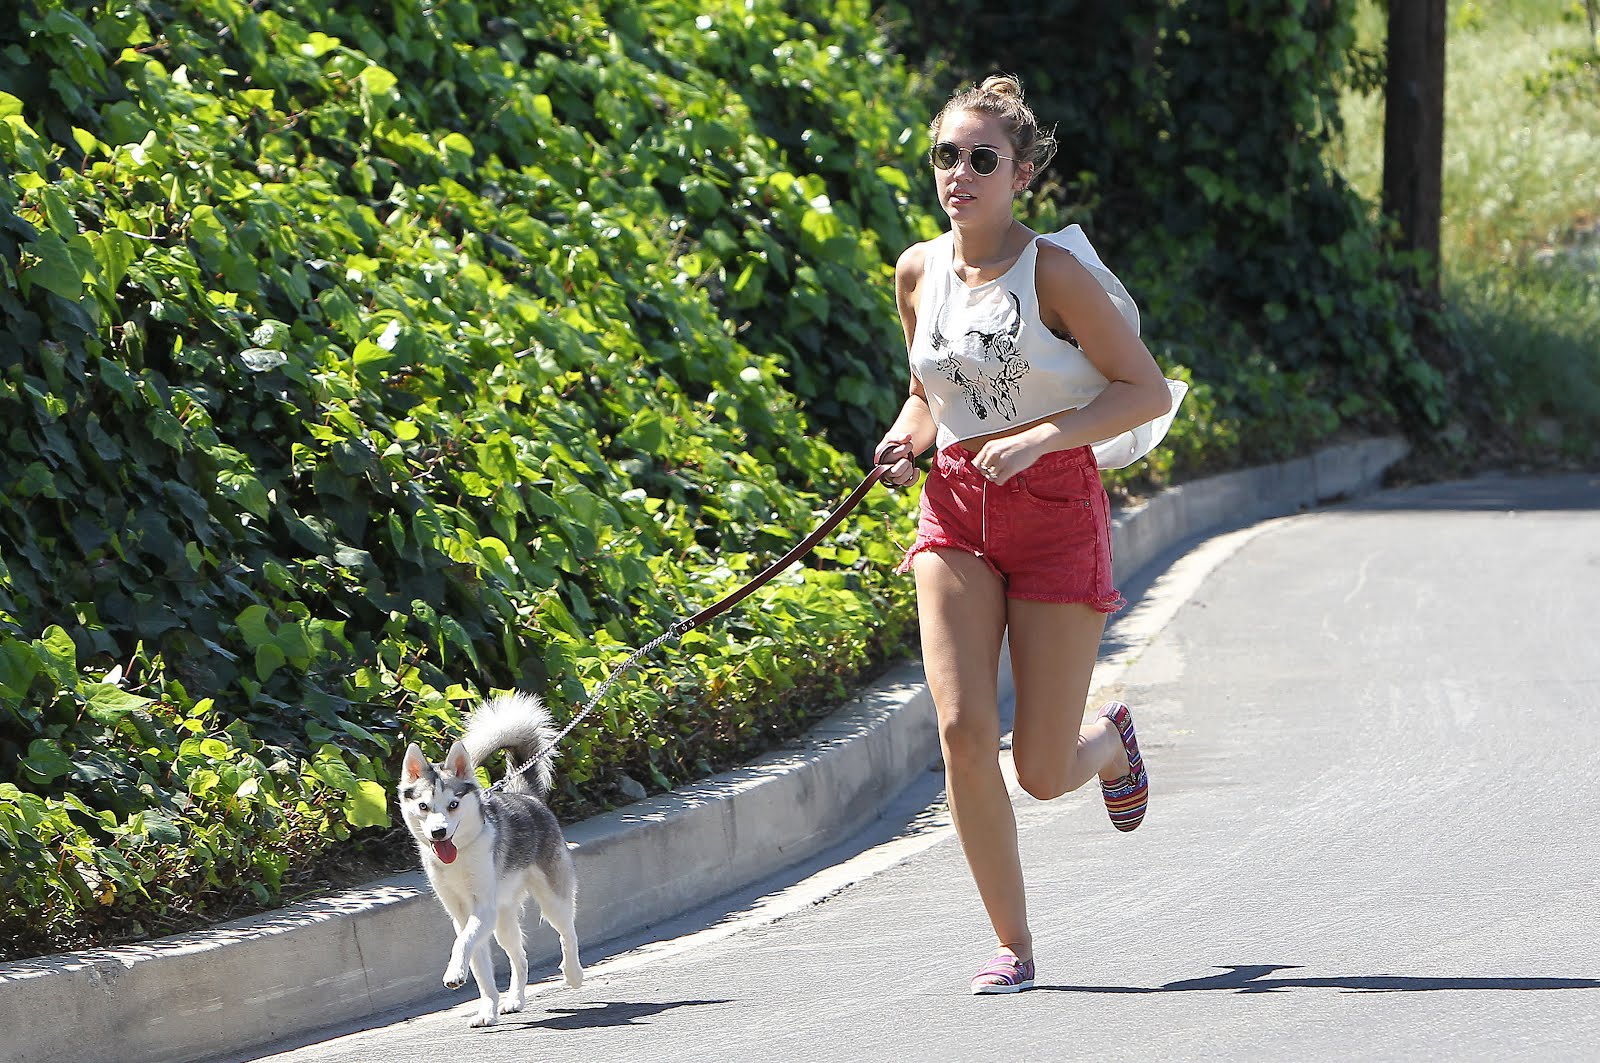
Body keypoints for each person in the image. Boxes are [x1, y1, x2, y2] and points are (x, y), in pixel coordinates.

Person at [873, 74, 1177, 995]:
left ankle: (1109, 740)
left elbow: (1144, 390)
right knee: (964, 729)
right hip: (958, 508)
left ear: (1023, 173)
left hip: (1053, 509)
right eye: (945, 157)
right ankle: (1016, 945)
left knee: (1042, 772)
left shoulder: (1054, 274)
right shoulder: (918, 270)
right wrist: (907, 435)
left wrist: (1042, 437)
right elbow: (934, 391)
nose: (958, 174)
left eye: (981, 158)